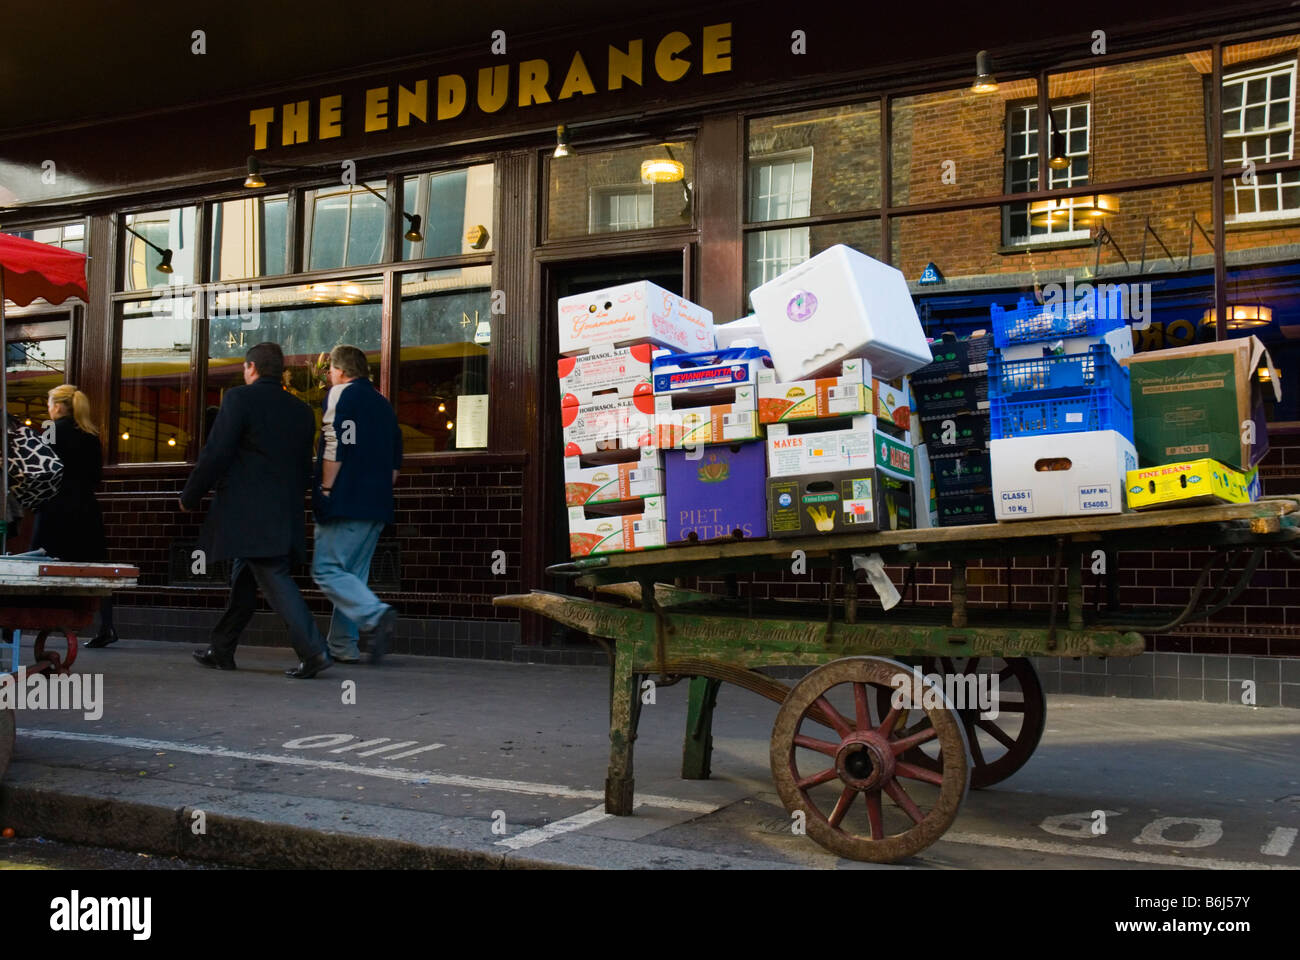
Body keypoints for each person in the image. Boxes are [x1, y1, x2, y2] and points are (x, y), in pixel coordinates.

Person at [181, 342, 332, 679]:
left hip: (248, 512)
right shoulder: (301, 411)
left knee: (273, 576)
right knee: (245, 579)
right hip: (285, 509)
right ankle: (221, 649)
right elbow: (303, 465)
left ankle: (314, 649)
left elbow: (216, 452)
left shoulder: (237, 399)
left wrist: (191, 494)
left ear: (251, 368)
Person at [311, 344, 401, 664]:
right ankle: (343, 645)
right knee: (353, 576)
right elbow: (393, 467)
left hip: (346, 500)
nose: (330, 377)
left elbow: (334, 446)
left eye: (330, 371)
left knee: (326, 570)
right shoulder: (383, 404)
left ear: (341, 371)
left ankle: (376, 615)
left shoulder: (341, 395)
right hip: (377, 505)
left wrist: (324, 489)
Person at [32, 385, 116, 648]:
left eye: (49, 403)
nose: (48, 408)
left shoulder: (51, 432)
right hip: (86, 509)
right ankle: (107, 626)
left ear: (58, 406)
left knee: (37, 564)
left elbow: (42, 471)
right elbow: (96, 477)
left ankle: (20, 624)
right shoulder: (91, 435)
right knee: (95, 568)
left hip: (56, 508)